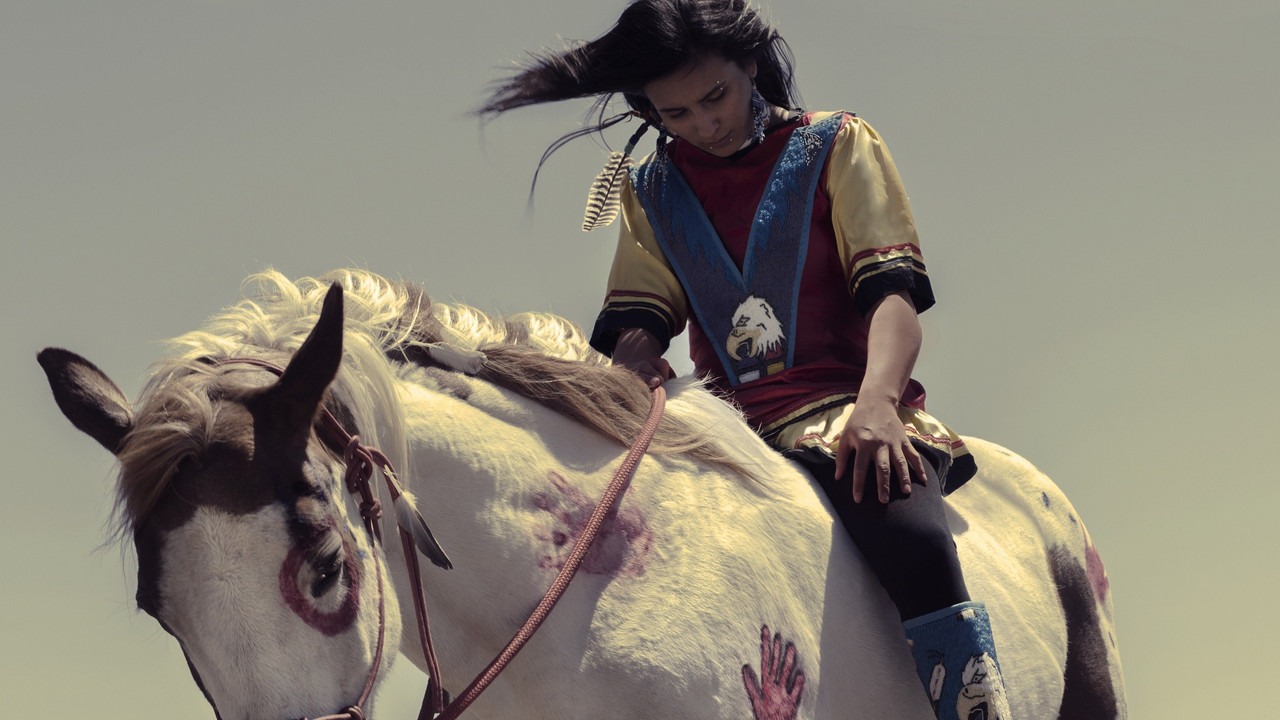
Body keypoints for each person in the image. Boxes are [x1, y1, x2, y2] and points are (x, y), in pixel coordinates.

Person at [479, 2, 1011, 717]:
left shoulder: (838, 143)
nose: (704, 123)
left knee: (908, 531)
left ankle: (979, 707)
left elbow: (893, 300)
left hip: (844, 410)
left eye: (714, 97)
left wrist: (879, 404)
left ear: (750, 66)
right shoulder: (650, 190)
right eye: (676, 113)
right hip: (717, 423)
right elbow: (640, 320)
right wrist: (633, 365)